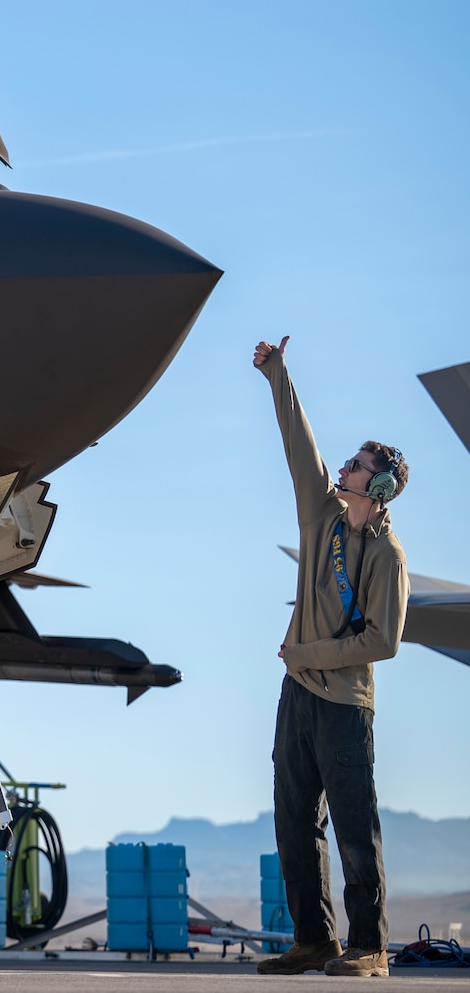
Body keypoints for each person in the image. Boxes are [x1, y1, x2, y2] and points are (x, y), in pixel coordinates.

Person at [251, 335, 410, 978]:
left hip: (343, 702)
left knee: (352, 826)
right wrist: (276, 372)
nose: (343, 467)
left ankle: (369, 946)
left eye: (357, 463)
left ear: (381, 484)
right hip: (298, 694)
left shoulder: (386, 557)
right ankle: (314, 939)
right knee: (293, 823)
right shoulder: (320, 516)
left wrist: (308, 650)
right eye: (347, 460)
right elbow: (299, 442)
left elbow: (383, 641)